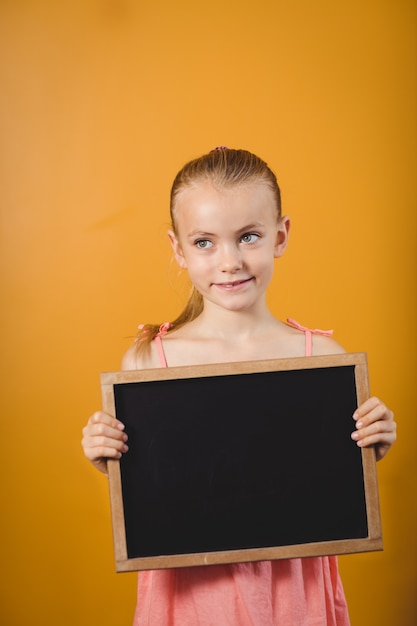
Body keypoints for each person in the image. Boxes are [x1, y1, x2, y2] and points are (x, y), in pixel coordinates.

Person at [82, 147, 396, 625]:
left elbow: (330, 478)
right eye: (204, 242)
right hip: (191, 595)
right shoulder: (150, 361)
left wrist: (371, 444)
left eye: (248, 236)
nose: (229, 261)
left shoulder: (322, 361)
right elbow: (155, 480)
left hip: (293, 591)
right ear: (177, 249)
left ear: (280, 236)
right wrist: (109, 455)